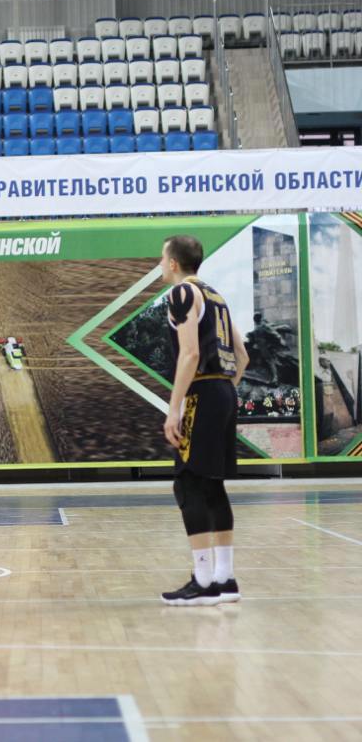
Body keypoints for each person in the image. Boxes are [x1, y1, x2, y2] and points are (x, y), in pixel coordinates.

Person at [160, 235, 248, 606]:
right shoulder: (216, 296)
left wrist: (175, 408)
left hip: (203, 391)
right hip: (224, 390)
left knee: (188, 484)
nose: (160, 265)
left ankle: (203, 581)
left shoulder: (182, 294)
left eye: (162, 258)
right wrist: (223, 392)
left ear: (173, 263)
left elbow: (190, 354)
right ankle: (225, 579)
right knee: (213, 486)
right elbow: (242, 356)